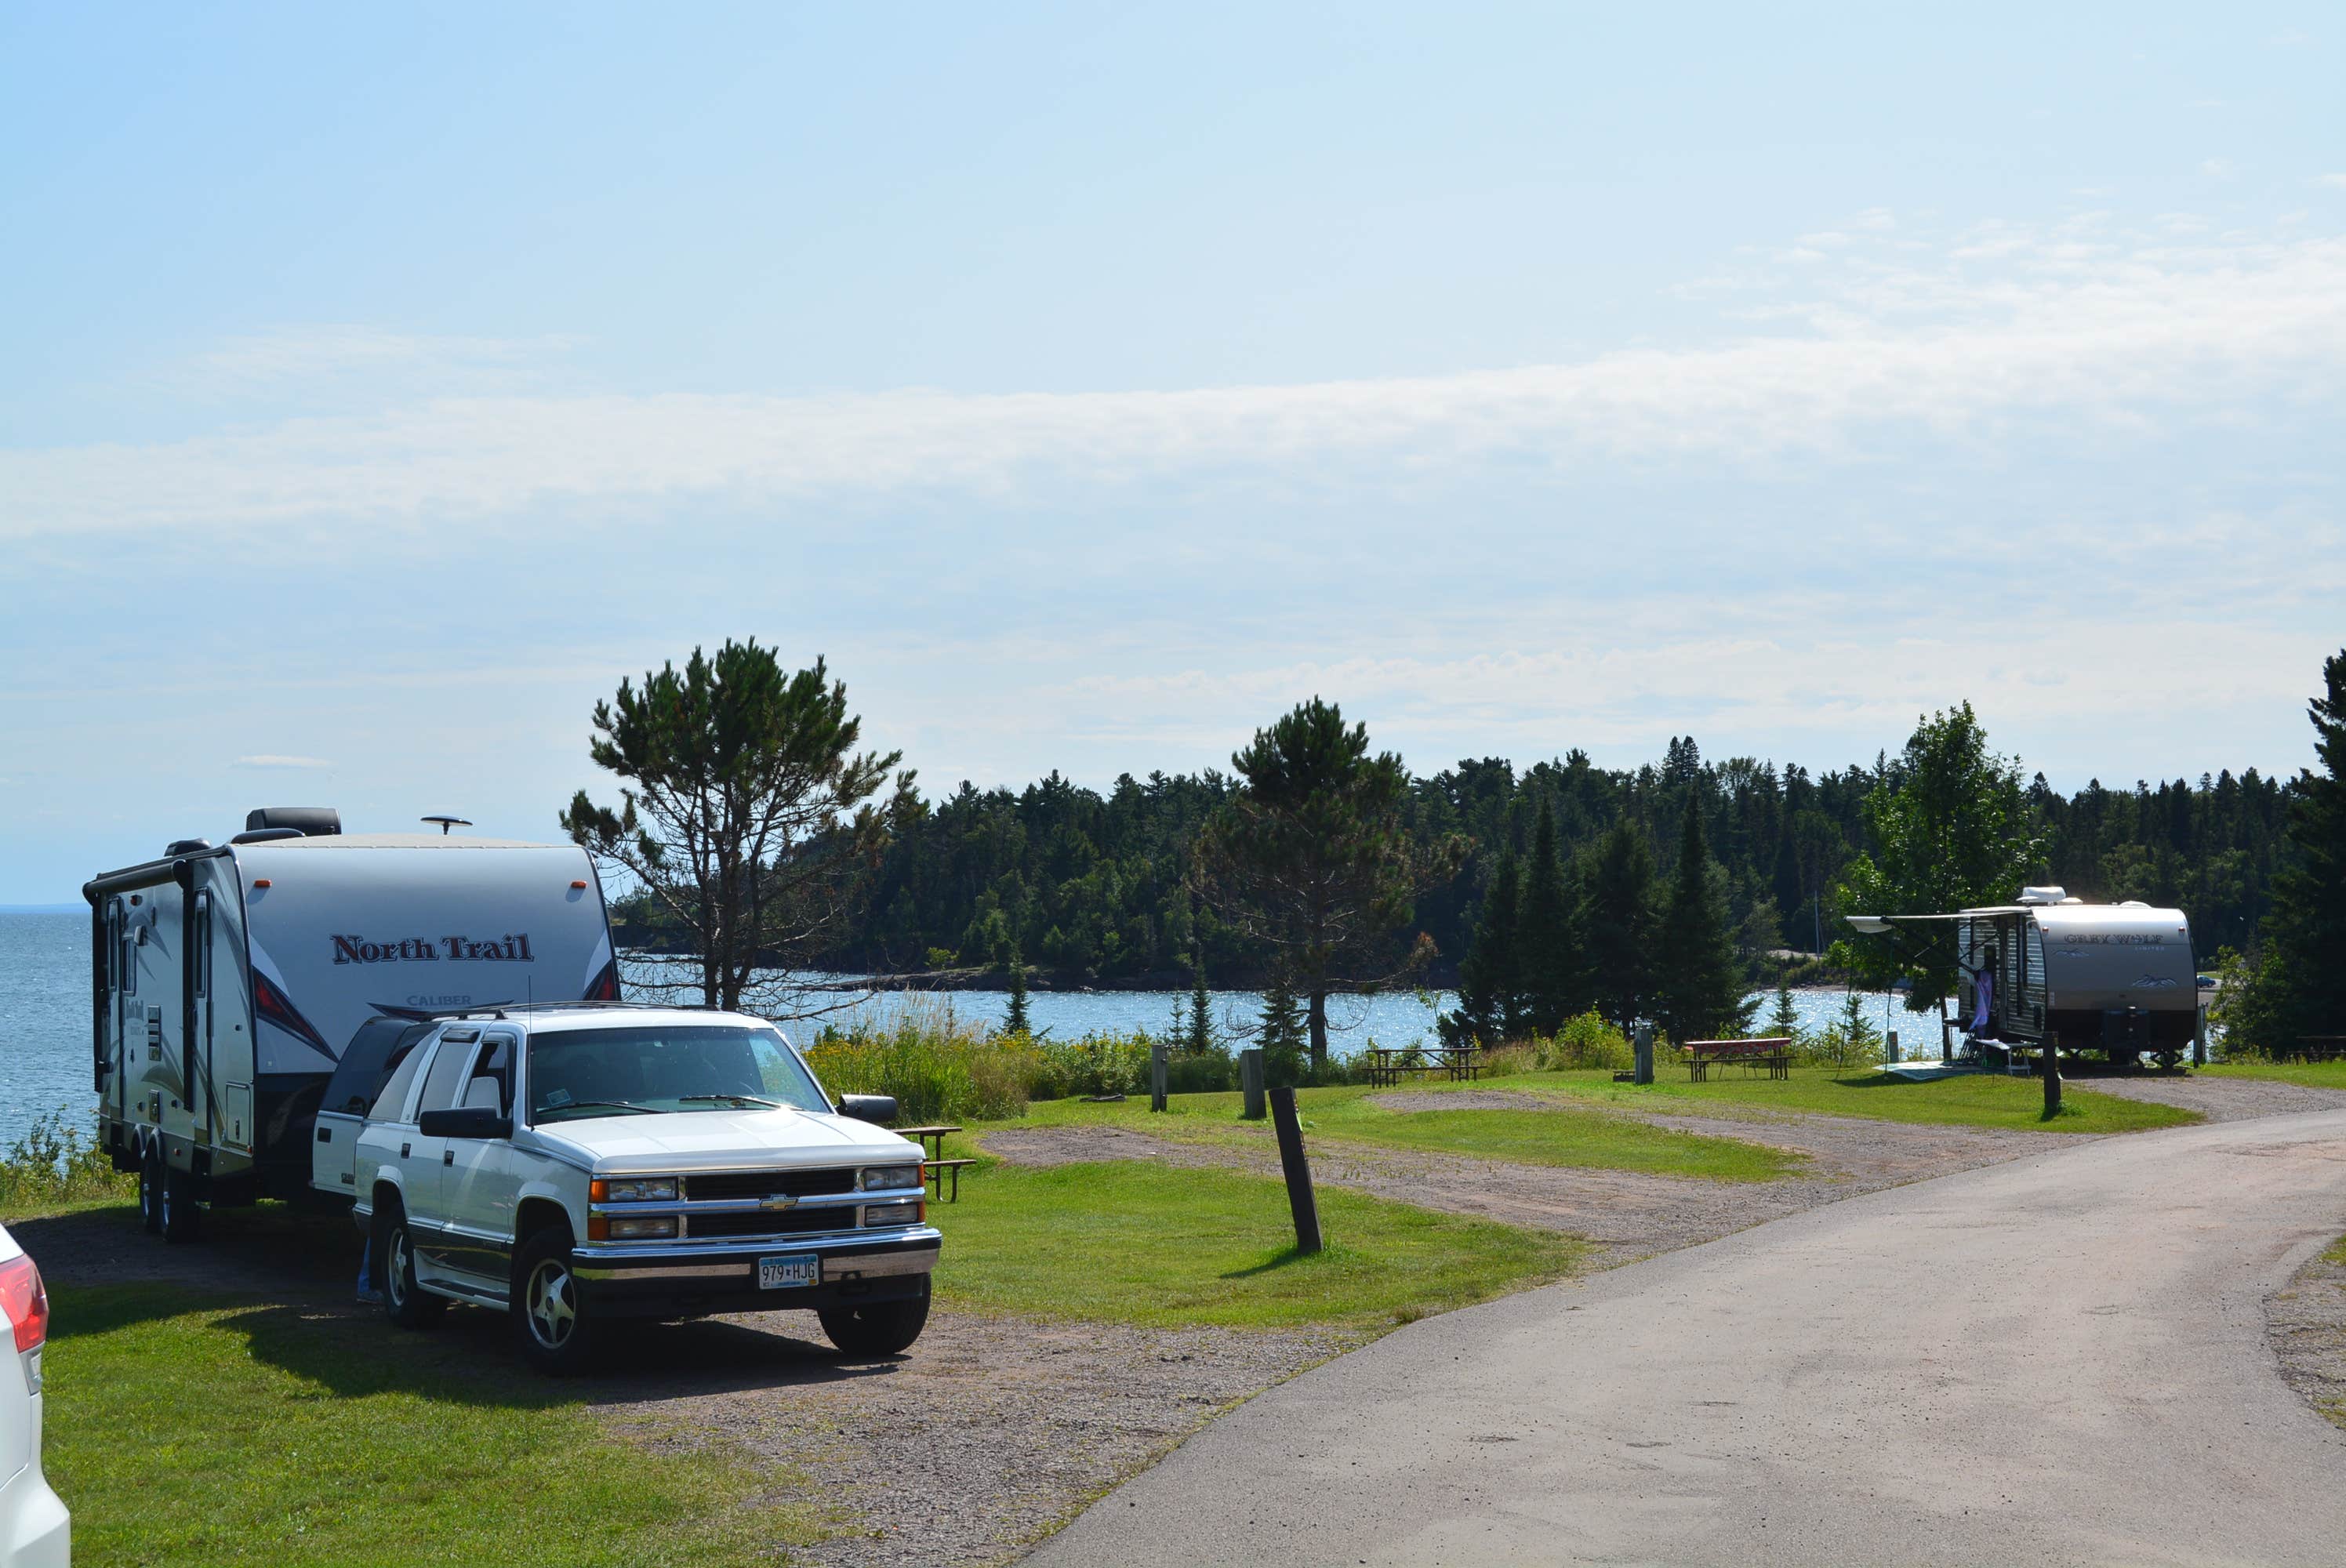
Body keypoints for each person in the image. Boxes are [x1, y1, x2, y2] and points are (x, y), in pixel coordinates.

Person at [1970, 949, 1997, 1039]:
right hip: (1985, 1000)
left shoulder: (1985, 976)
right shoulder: (1985, 976)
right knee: (1983, 1009)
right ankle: (1981, 1032)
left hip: (1985, 1001)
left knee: (1982, 1010)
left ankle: (1981, 1033)